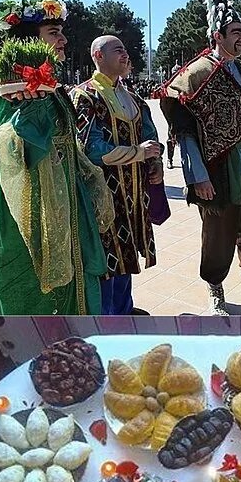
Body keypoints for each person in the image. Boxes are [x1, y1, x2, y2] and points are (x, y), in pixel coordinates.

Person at [0, 0, 113, 315]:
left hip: (66, 205)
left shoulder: (54, 90)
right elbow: (16, 145)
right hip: (27, 213)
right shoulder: (9, 89)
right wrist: (33, 101)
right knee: (36, 298)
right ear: (29, 42)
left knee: (78, 288)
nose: (64, 39)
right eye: (54, 32)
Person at [161, 0, 241, 313]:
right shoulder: (197, 72)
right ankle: (215, 290)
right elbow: (182, 127)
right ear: (218, 36)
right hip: (215, 170)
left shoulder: (240, 69)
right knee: (218, 233)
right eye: (235, 33)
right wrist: (196, 176)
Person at [71, 34, 162, 314]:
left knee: (127, 251)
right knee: (107, 259)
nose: (125, 54)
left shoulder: (131, 96)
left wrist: (155, 164)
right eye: (117, 50)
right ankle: (108, 316)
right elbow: (92, 148)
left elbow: (149, 132)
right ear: (98, 56)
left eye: (125, 49)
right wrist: (138, 152)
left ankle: (124, 308)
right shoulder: (84, 96)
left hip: (132, 194)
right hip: (102, 195)